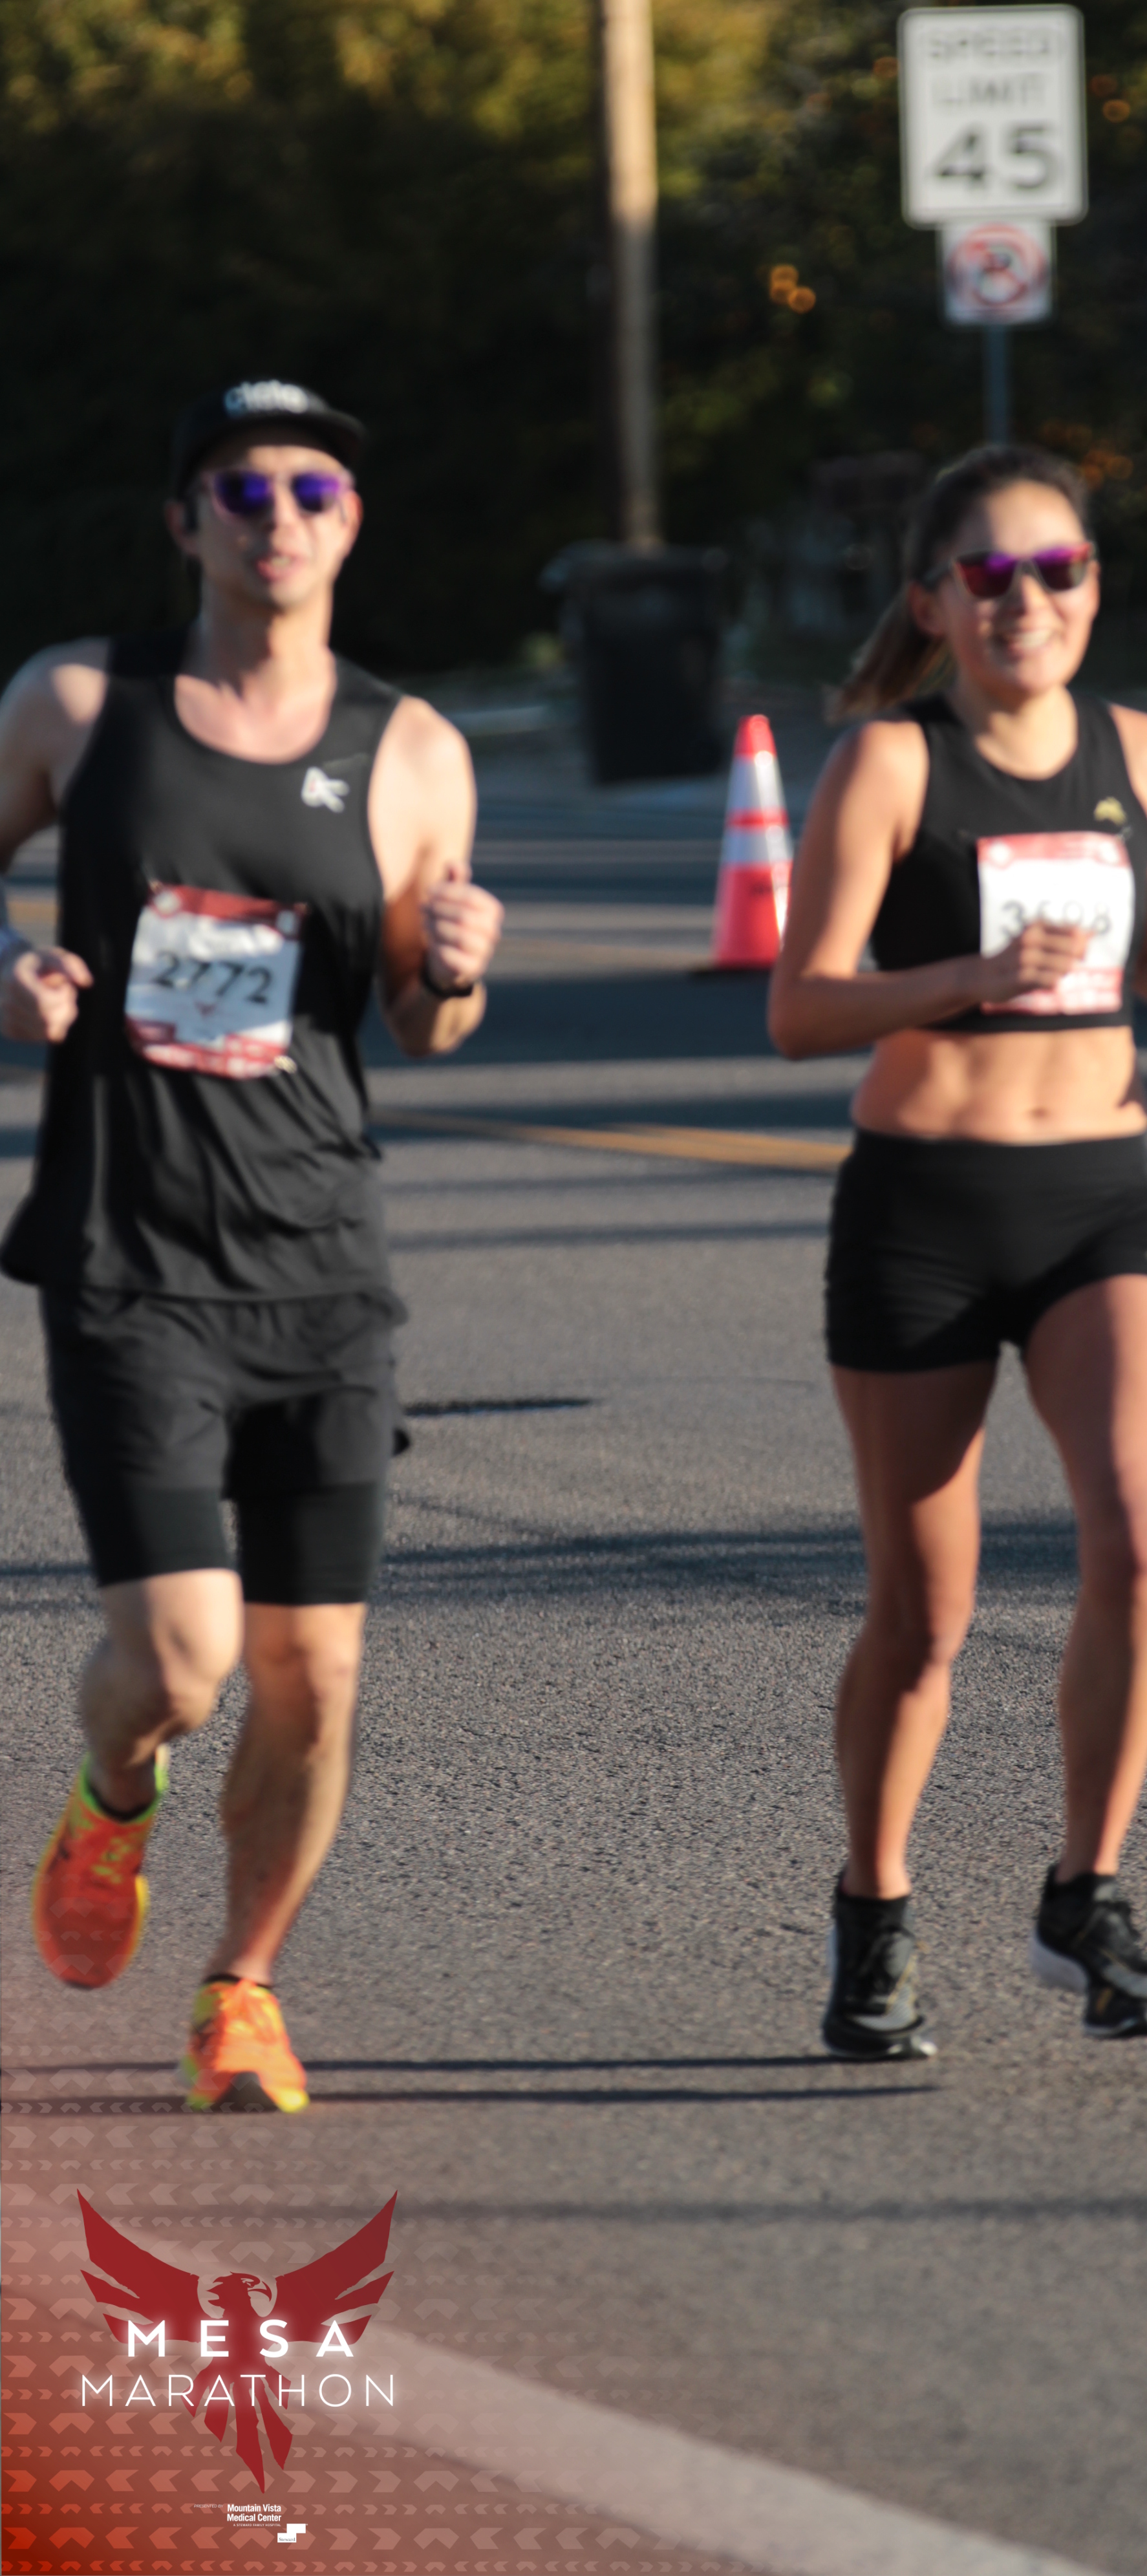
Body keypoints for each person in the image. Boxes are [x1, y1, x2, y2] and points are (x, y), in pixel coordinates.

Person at [769, 444, 1147, 2058]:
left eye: (1057, 569)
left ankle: (1083, 1893)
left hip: (1098, 1196)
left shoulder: (1146, 753)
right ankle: (874, 1913)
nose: (1025, 600)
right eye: (989, 575)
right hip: (921, 1212)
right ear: (931, 603)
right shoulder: (890, 764)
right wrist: (968, 974)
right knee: (920, 1618)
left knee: (1140, 1537)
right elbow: (801, 1009)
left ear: (1094, 584)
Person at [0, 378, 503, 2110]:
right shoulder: (81, 703)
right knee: (184, 1663)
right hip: (129, 1255)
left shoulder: (413, 750)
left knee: (315, 1673)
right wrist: (9, 975)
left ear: (350, 525)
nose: (276, 514)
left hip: (320, 1265)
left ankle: (242, 1989)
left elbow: (425, 1026)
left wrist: (457, 970)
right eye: (240, 487)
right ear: (185, 521)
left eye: (311, 489)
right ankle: (110, 1798)